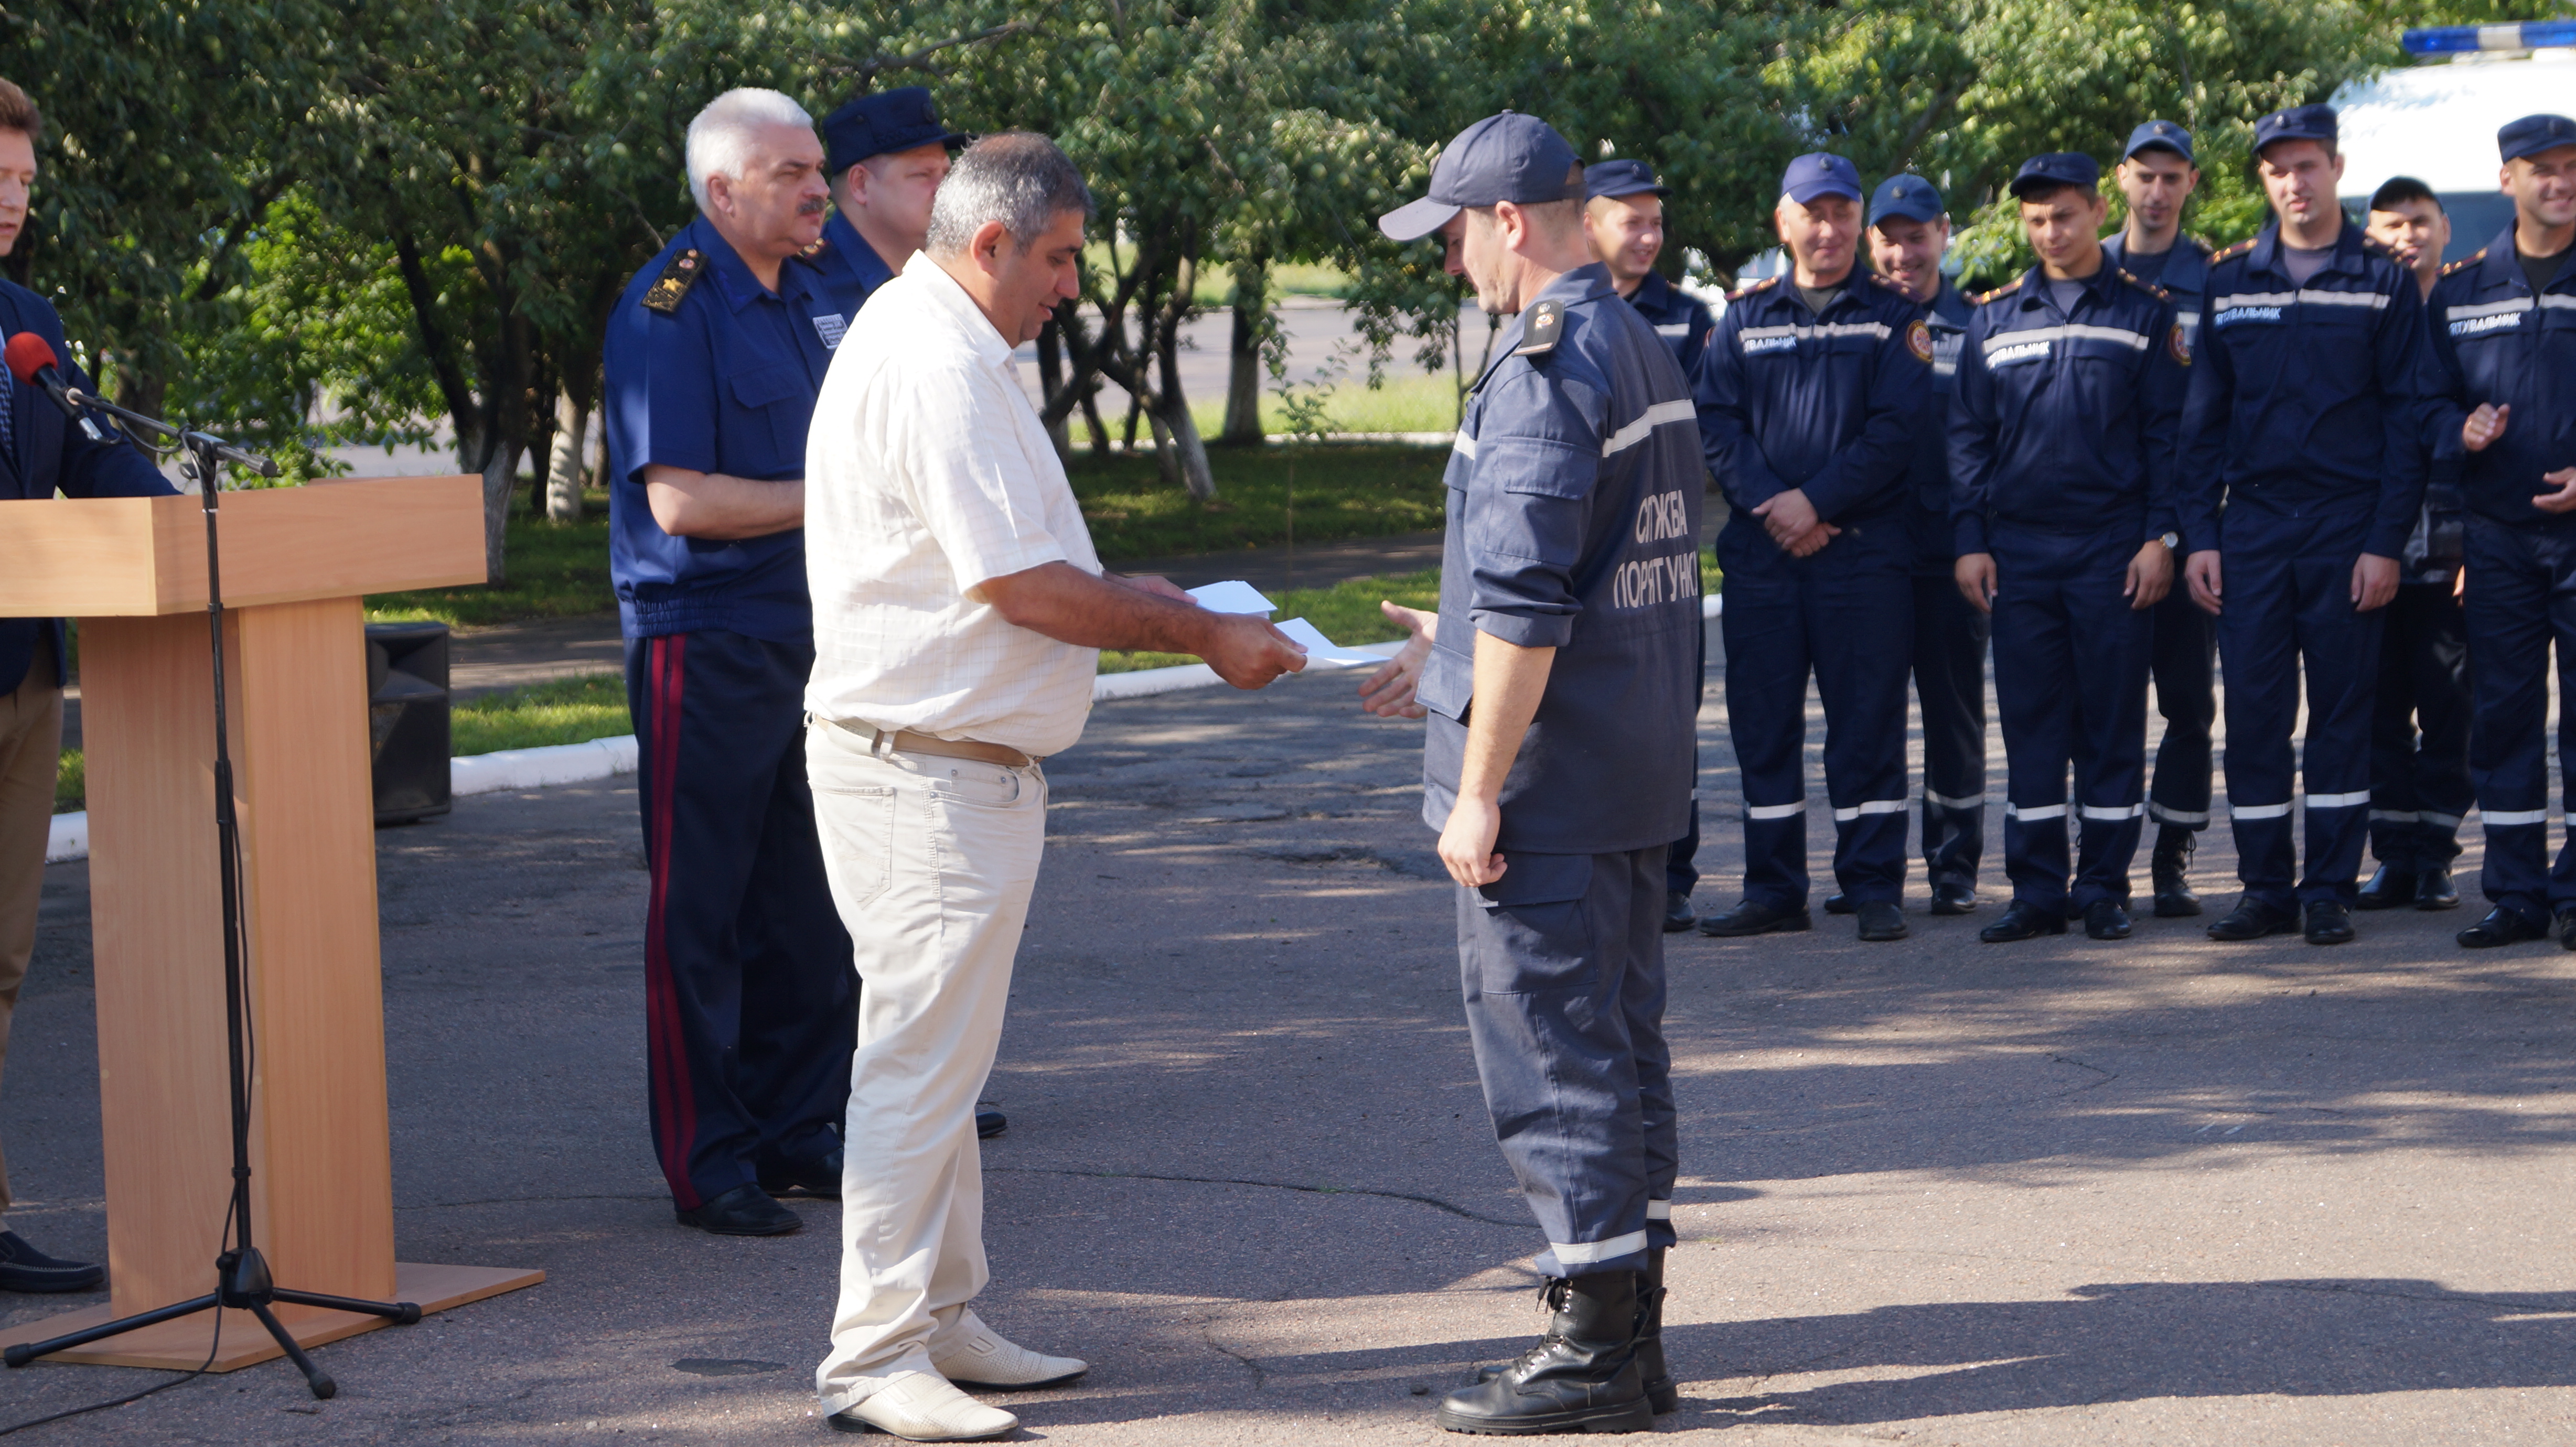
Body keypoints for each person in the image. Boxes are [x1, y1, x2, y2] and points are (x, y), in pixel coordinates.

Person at [804, 132, 1305, 1440]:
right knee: (917, 1069)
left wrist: (1138, 594)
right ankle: (872, 1354)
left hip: (941, 764)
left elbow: (1001, 563)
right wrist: (1196, 632)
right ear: (989, 245)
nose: (1073, 286)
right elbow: (1016, 586)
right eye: (1061, 257)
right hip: (924, 771)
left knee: (944, 1063)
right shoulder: (935, 362)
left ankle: (940, 1316)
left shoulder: (943, 338)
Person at [1377, 109, 1702, 1437]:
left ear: (1507, 221)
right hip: (1627, 769)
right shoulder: (1633, 339)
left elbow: (1526, 605)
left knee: (1555, 1057)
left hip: (1550, 792)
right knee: (1616, 1049)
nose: (1453, 258)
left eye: (1456, 232)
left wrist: (1475, 788)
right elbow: (1598, 570)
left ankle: (1590, 1348)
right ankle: (1631, 1335)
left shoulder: (1543, 364)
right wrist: (1446, 639)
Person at [602, 89, 857, 1238]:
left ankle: (796, 1129)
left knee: (809, 905)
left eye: (818, 168)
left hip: (813, 631)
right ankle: (709, 1163)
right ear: (722, 191)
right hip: (704, 636)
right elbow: (683, 502)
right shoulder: (671, 307)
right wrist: (840, 495)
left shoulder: (813, 292)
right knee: (702, 910)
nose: (817, 189)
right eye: (791, 172)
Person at [2178, 103, 2433, 946]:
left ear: (2337, 168)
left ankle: (2328, 888)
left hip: (2345, 527)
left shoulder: (2381, 279)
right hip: (2251, 528)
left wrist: (2384, 543)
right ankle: (2265, 890)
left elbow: (2405, 423)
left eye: (2308, 165)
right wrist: (2200, 536)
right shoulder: (2229, 280)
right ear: (2264, 178)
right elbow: (2202, 423)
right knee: (2255, 717)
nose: (2295, 181)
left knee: (2341, 718)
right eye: (2279, 168)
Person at [0, 76, 175, 1294]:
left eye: (24, 181)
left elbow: (95, 455)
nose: (14, 201)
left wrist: (193, 524)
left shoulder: (29, 322)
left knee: (3, 962)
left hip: (23, 673)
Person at [1695, 153, 1933, 944]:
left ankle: (1873, 886)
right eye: (1813, 213)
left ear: (1858, 223)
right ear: (1784, 221)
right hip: (1764, 557)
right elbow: (1716, 423)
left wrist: (1815, 503)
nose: (1828, 229)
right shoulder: (1742, 318)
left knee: (1867, 726)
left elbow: (1896, 433)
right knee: (1763, 727)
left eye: (1841, 214)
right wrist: (1776, 504)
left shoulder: (1893, 319)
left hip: (1862, 555)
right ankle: (1773, 889)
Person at [1948, 153, 2186, 943]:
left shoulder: (2143, 314)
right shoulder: (1993, 319)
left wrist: (2161, 537)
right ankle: (2037, 891)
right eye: (2036, 220)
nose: (2051, 232)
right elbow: (1968, 442)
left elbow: (2168, 439)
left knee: (2111, 724)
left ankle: (2104, 889)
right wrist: (1970, 540)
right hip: (2019, 550)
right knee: (2031, 725)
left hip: (2112, 548)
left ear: (2095, 211)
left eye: (2064, 215)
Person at [2427, 113, 2576, 948]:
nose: (2561, 182)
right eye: (2542, 169)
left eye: (2573, 167)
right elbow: (2422, 403)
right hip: (2497, 539)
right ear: (2508, 180)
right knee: (2505, 719)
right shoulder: (2461, 290)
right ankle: (2517, 893)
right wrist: (2459, 430)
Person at [1582, 157, 1716, 932]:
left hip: (1662, 551)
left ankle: (1670, 876)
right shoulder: (1563, 315)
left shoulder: (1687, 319)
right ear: (1588, 223)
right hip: (1597, 553)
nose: (1649, 236)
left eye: (1656, 223)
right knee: (1599, 713)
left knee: (1669, 716)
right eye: (1632, 221)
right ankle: (1608, 868)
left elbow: (1699, 433)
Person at [2102, 120, 2219, 916]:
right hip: (2105, 521)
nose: (2157, 191)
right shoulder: (2088, 268)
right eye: (2144, 175)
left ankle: (2173, 853)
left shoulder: (2215, 278)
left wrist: (2186, 529)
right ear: (2121, 179)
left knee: (2186, 700)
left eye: (2171, 177)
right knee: (2102, 701)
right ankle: (2099, 856)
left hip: (2190, 513)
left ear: (2190, 184)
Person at [1862, 171, 1985, 919]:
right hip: (1867, 551)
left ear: (1944, 234)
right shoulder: (1858, 319)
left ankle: (1954, 865)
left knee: (1953, 716)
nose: (1904, 253)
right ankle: (1869, 867)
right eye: (1890, 240)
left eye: (1918, 237)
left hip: (1948, 553)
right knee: (1868, 716)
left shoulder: (1977, 324)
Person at [2357, 176, 2470, 914]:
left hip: (2451, 547)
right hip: (2370, 542)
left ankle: (2435, 854)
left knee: (2448, 704)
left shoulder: (2467, 305)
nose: (2407, 237)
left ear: (2444, 228)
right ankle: (2393, 855)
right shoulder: (2361, 310)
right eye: (2392, 225)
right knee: (2377, 704)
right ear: (2371, 235)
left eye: (2420, 222)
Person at [808, 85, 963, 318]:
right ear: (861, 184)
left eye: (947, 174)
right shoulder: (802, 283)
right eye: (923, 175)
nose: (945, 189)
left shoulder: (958, 275)